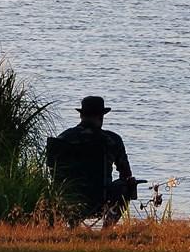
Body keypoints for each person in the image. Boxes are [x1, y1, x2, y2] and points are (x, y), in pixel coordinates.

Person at [52, 96, 134, 228]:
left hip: (65, 200)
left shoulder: (63, 138)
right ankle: (106, 230)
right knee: (126, 185)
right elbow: (126, 174)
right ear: (101, 117)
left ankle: (72, 226)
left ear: (81, 116)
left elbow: (54, 172)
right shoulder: (112, 140)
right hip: (99, 200)